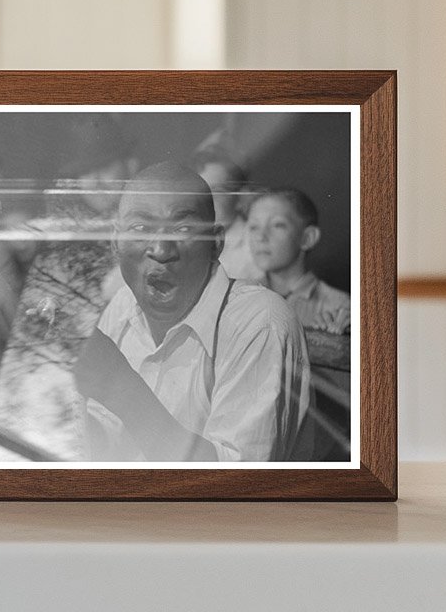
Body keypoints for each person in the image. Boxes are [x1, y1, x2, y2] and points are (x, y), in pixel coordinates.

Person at [73, 162, 311, 463]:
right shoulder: (121, 308)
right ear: (116, 243)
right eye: (141, 228)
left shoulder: (261, 322)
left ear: (216, 245)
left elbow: (235, 491)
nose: (161, 249)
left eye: (183, 228)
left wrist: (124, 391)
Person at [245, 188, 350, 335]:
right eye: (254, 227)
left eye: (277, 225)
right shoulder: (240, 297)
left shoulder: (340, 308)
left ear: (308, 238)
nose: (261, 237)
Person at [192, 131, 261, 282]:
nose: (206, 201)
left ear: (240, 198)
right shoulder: (192, 237)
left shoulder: (256, 247)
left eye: (217, 191)